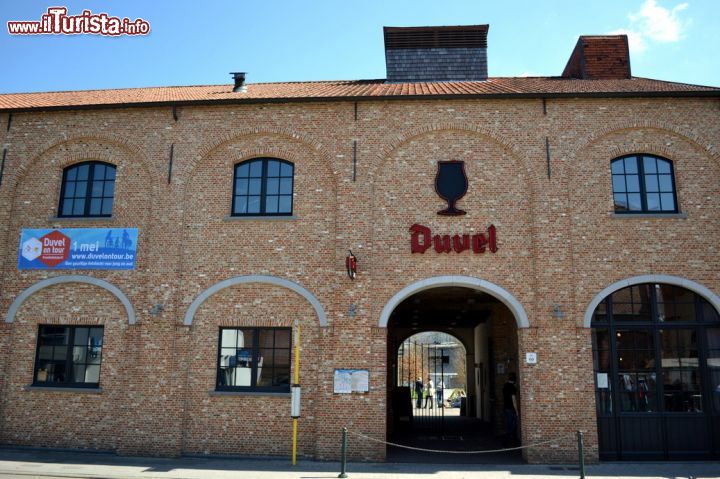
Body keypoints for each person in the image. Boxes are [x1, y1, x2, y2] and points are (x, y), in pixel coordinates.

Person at [502, 372, 518, 446]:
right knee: (512, 425)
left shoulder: (505, 386)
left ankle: (508, 440)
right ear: (514, 380)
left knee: (509, 424)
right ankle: (508, 441)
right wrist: (516, 410)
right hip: (511, 408)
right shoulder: (512, 388)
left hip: (506, 407)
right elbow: (514, 400)